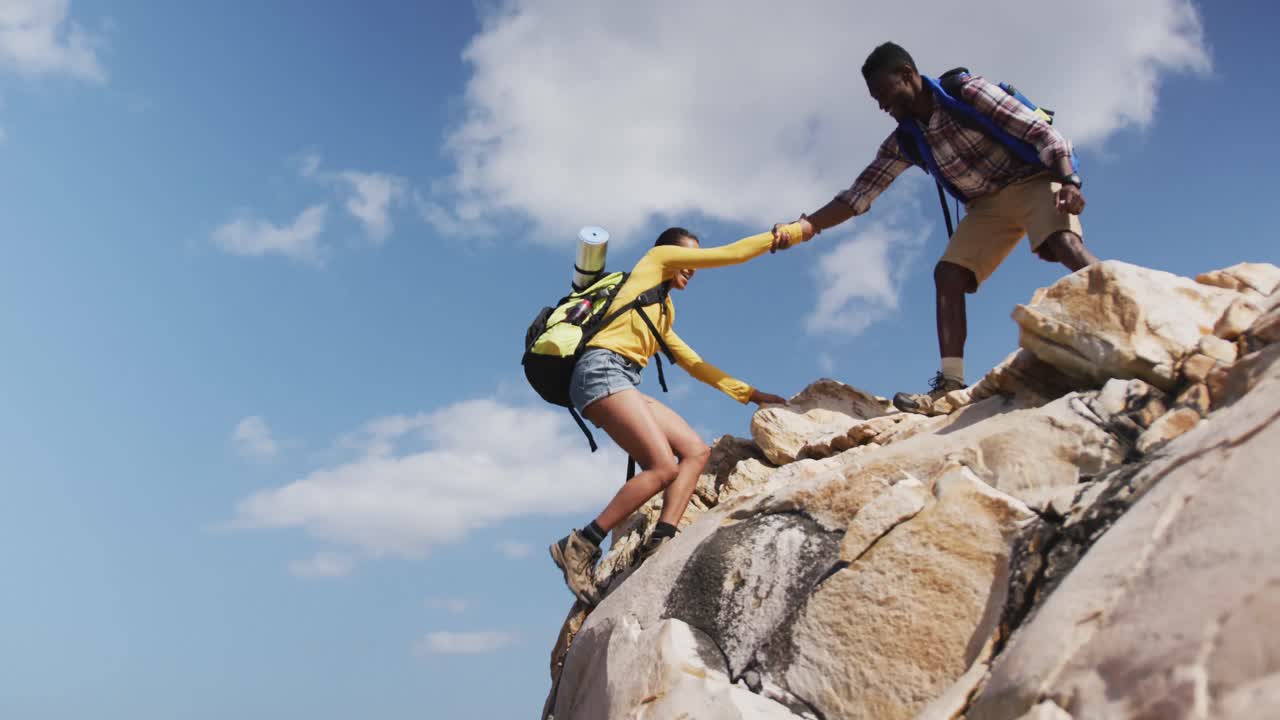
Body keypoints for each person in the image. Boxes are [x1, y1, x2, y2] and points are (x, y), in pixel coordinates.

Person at [772, 42, 1099, 414]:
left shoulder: (968, 92)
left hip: (1034, 180)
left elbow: (1041, 133)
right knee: (948, 275)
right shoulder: (905, 141)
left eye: (883, 93)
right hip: (986, 207)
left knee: (1063, 244)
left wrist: (1069, 180)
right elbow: (859, 196)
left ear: (908, 75)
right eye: (875, 99)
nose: (881, 105)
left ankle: (1125, 300)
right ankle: (950, 386)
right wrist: (805, 227)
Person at [549, 224, 802, 606]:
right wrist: (785, 235)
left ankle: (660, 542)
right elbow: (731, 254)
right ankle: (580, 545)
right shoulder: (655, 261)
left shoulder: (662, 309)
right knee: (663, 466)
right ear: (671, 253)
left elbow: (692, 362)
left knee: (695, 451)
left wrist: (751, 395)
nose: (693, 267)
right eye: (690, 257)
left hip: (622, 379)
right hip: (600, 371)